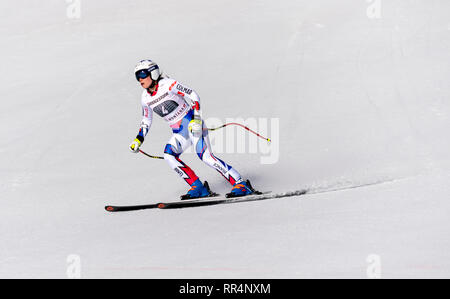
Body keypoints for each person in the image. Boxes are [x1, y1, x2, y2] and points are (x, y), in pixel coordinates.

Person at [129, 60, 255, 199]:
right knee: (169, 155)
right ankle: (198, 187)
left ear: (153, 73)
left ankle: (241, 184)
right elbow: (146, 120)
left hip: (193, 124)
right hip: (180, 133)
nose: (140, 79)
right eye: (137, 76)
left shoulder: (168, 84)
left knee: (205, 156)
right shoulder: (145, 98)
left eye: (142, 74)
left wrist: (196, 118)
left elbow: (193, 95)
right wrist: (138, 139)